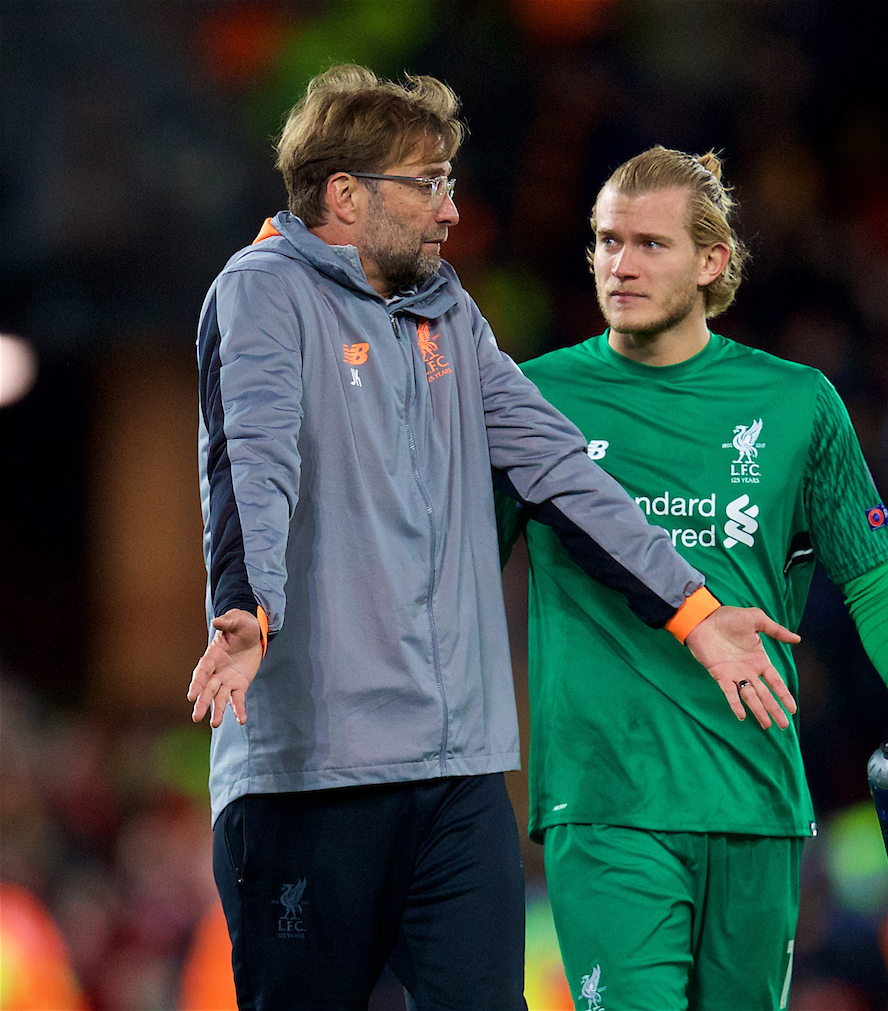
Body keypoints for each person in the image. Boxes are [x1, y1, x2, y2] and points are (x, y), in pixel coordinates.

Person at [187, 70, 801, 1011]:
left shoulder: (446, 312)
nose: (451, 207)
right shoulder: (262, 295)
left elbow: (563, 470)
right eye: (428, 182)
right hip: (315, 774)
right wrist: (248, 607)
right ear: (345, 196)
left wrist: (695, 608)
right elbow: (254, 461)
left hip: (457, 773)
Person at [496, 147, 888, 1011]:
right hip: (607, 801)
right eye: (606, 242)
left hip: (757, 798)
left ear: (712, 262)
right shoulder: (531, 400)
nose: (619, 264)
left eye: (650, 244)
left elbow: (874, 580)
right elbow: (448, 565)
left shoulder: (797, 404)